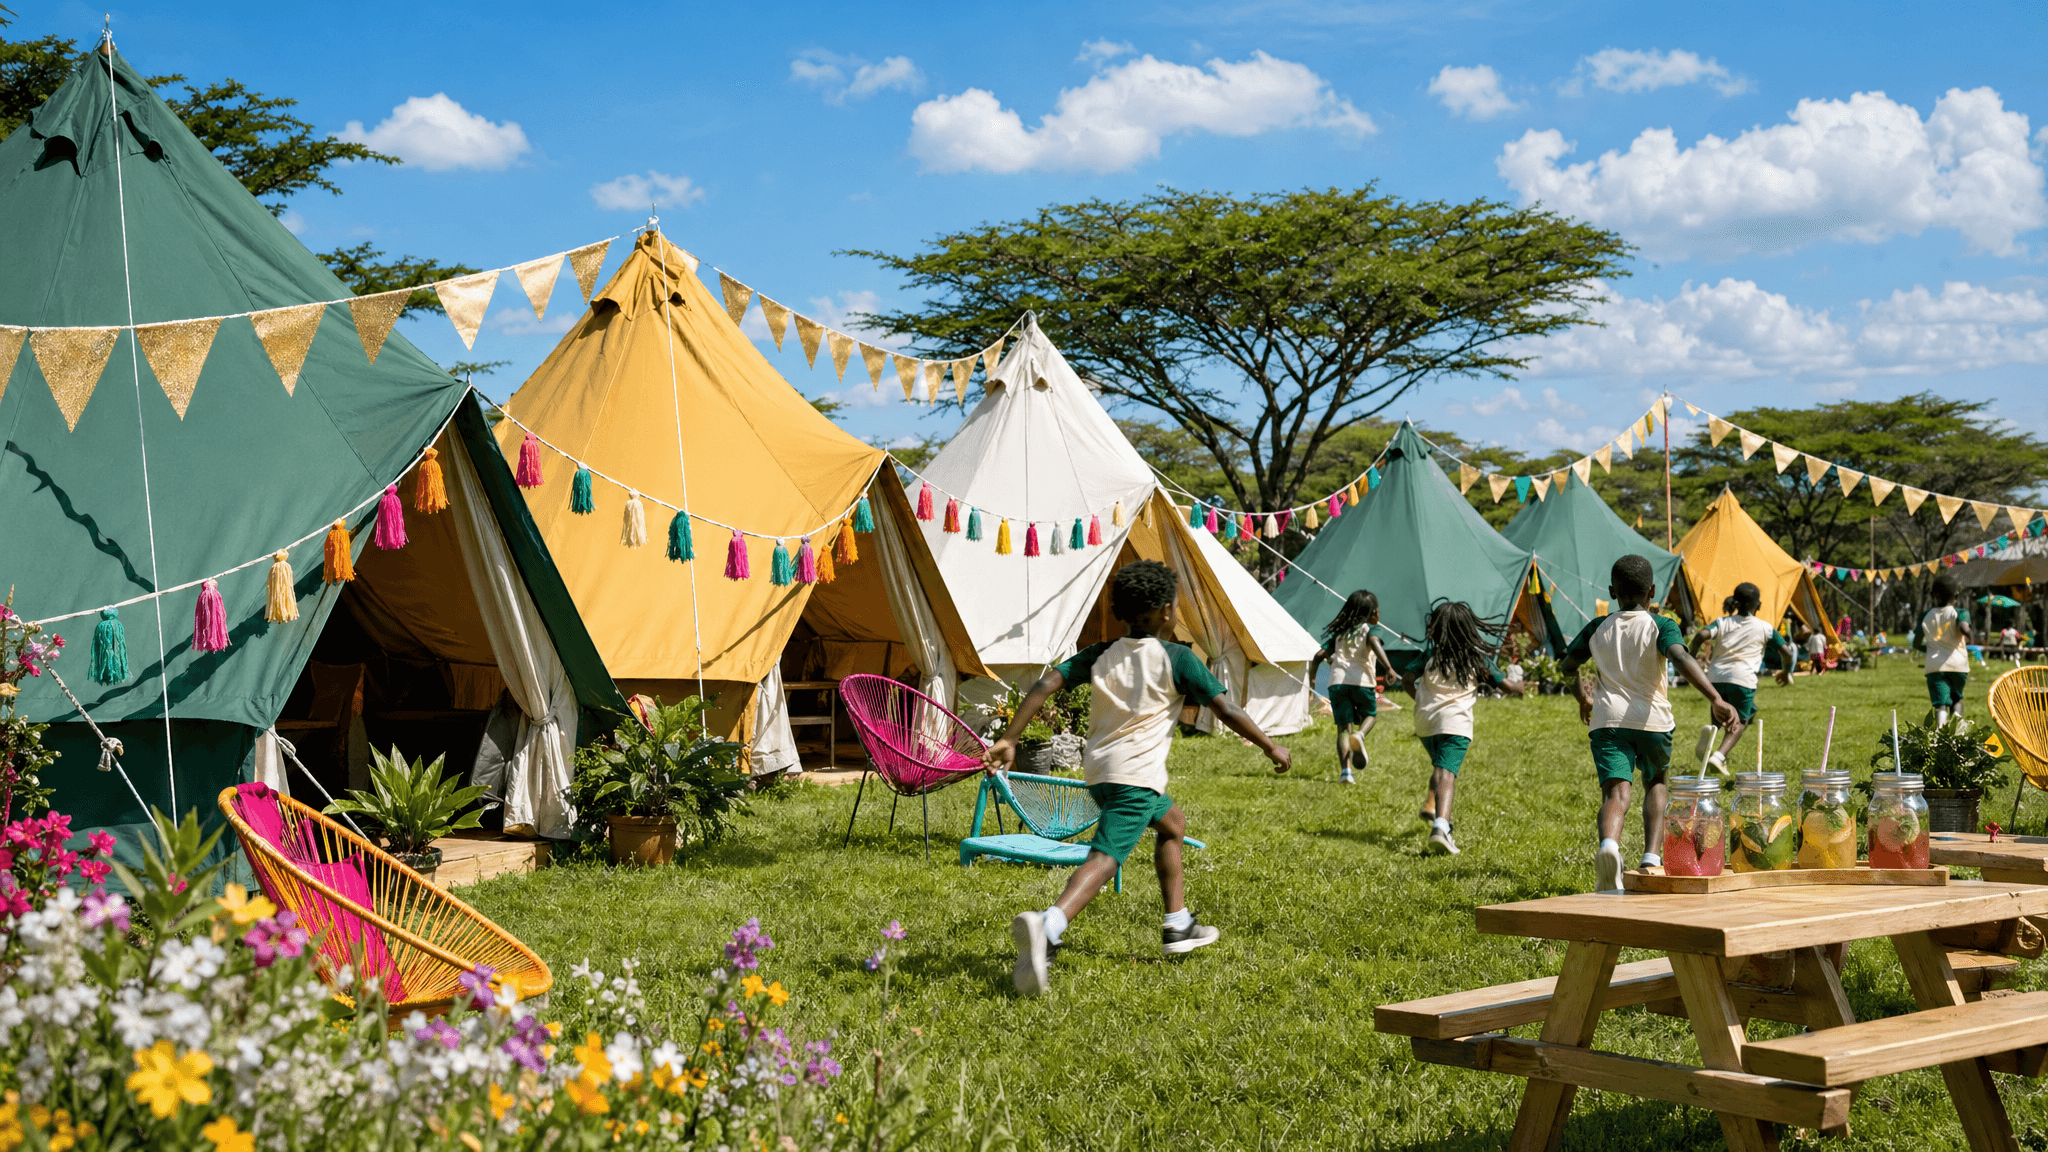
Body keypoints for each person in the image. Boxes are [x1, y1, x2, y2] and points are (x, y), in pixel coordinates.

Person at [989, 560, 1290, 996]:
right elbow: (1226, 708)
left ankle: (1177, 925)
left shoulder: (1101, 653)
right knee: (1107, 856)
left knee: (1173, 824)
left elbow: (1046, 683)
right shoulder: (1178, 658)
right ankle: (1049, 926)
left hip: (1101, 774)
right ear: (1167, 610)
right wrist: (1269, 745)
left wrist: (1011, 738)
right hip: (1136, 777)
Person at [1561, 556, 1738, 892]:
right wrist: (1715, 697)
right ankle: (1651, 857)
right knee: (1656, 781)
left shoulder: (1597, 626)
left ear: (1613, 591)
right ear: (1653, 591)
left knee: (1616, 792)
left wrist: (1582, 698)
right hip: (1653, 720)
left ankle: (1609, 847)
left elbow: (1568, 666)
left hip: (1608, 721)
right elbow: (1682, 657)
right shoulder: (1661, 625)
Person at [1405, 600, 1525, 856]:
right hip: (1455, 724)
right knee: (1446, 773)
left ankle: (1431, 806)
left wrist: (1420, 699)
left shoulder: (1430, 655)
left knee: (1440, 766)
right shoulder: (1476, 658)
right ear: (1469, 629)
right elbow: (1506, 687)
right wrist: (1520, 687)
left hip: (1425, 723)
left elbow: (1406, 679)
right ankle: (1441, 827)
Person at [1688, 582, 1796, 775]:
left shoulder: (1723, 623)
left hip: (1715, 677)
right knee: (1741, 721)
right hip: (1743, 679)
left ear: (1735, 602)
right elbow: (1787, 653)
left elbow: (1701, 635)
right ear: (1759, 605)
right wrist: (1786, 673)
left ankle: (1711, 733)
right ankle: (1719, 756)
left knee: (1722, 710)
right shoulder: (1765, 628)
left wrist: (1690, 661)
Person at [1308, 590, 1394, 785]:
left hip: (1337, 683)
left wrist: (1313, 678)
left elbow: (1318, 655)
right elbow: (1373, 642)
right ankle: (1360, 735)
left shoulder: (1340, 633)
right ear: (1371, 613)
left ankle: (1346, 772)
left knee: (1342, 729)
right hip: (1361, 682)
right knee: (1370, 715)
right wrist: (1388, 667)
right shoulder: (1371, 630)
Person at [1920, 578, 1973, 725]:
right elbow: (1963, 628)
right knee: (1957, 698)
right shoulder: (1960, 612)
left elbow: (1917, 642)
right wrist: (1971, 637)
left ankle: (1940, 730)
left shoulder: (1925, 616)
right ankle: (1958, 730)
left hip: (1935, 666)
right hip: (1958, 664)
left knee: (1940, 702)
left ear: (1933, 595)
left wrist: (1928, 649)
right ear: (1956, 596)